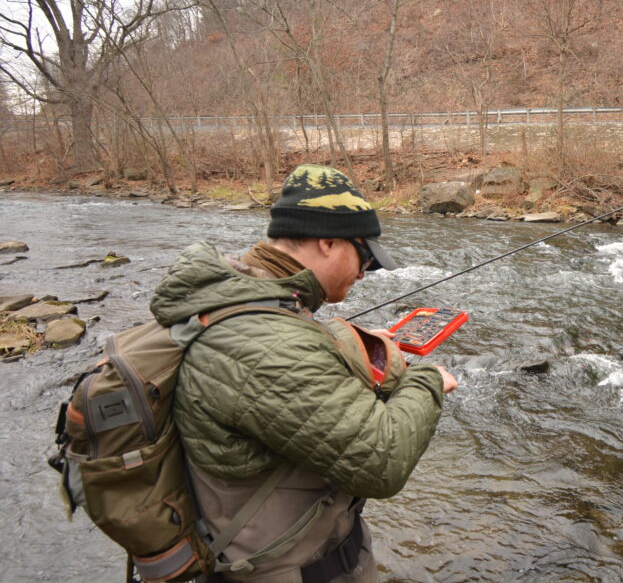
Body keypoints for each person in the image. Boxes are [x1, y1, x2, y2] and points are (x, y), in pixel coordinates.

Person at [151, 164, 457, 582]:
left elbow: (283, 349)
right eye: (364, 256)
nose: (366, 272)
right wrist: (430, 381)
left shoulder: (244, 289)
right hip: (285, 568)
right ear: (328, 243)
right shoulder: (265, 344)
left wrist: (350, 336)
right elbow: (382, 461)